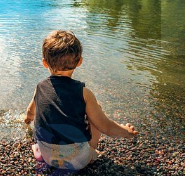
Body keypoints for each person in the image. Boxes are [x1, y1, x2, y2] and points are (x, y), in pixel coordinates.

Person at [24, 30, 138, 171]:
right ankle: (92, 151)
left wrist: (27, 122)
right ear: (79, 62)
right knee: (97, 109)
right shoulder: (84, 93)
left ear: (45, 63)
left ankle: (40, 151)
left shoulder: (40, 87)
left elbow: (30, 112)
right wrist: (126, 132)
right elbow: (106, 127)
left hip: (49, 157)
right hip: (78, 160)